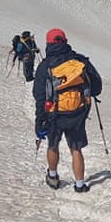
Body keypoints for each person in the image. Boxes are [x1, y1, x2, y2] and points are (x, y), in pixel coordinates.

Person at [33, 28, 102, 193]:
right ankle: (79, 184)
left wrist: (39, 119)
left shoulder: (45, 66)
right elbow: (97, 86)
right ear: (65, 41)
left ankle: (53, 177)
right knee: (75, 149)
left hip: (54, 114)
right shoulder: (80, 61)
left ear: (49, 43)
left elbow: (39, 95)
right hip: (77, 113)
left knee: (53, 145)